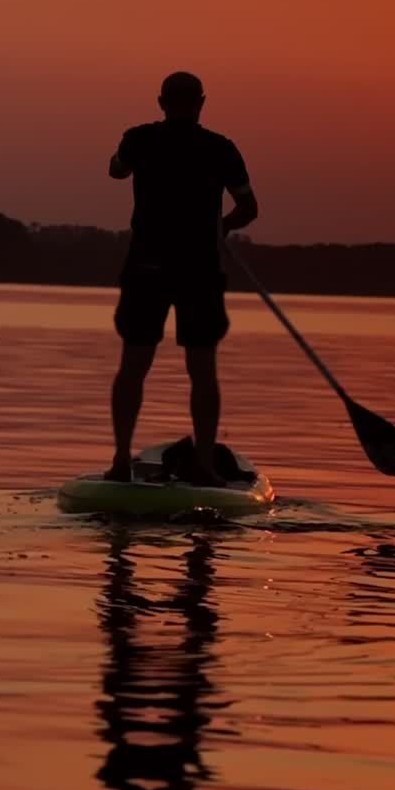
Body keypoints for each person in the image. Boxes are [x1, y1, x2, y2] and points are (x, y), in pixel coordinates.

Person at [106, 72, 258, 486]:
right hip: (199, 268)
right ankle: (205, 466)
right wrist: (222, 226)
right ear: (202, 103)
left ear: (161, 101)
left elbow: (115, 170)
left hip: (147, 266)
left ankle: (121, 462)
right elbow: (248, 208)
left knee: (134, 364)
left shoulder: (137, 139)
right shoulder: (221, 149)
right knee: (203, 369)